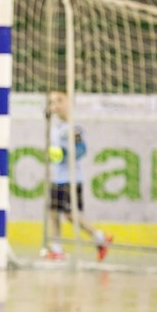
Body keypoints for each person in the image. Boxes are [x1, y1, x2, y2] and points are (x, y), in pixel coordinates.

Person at [45, 90, 112, 261]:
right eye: (52, 102)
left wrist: (64, 153)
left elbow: (82, 150)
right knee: (53, 211)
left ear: (70, 102)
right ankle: (56, 248)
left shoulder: (75, 127)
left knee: (70, 215)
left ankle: (101, 238)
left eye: (59, 100)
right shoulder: (56, 127)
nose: (55, 105)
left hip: (71, 179)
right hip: (57, 177)